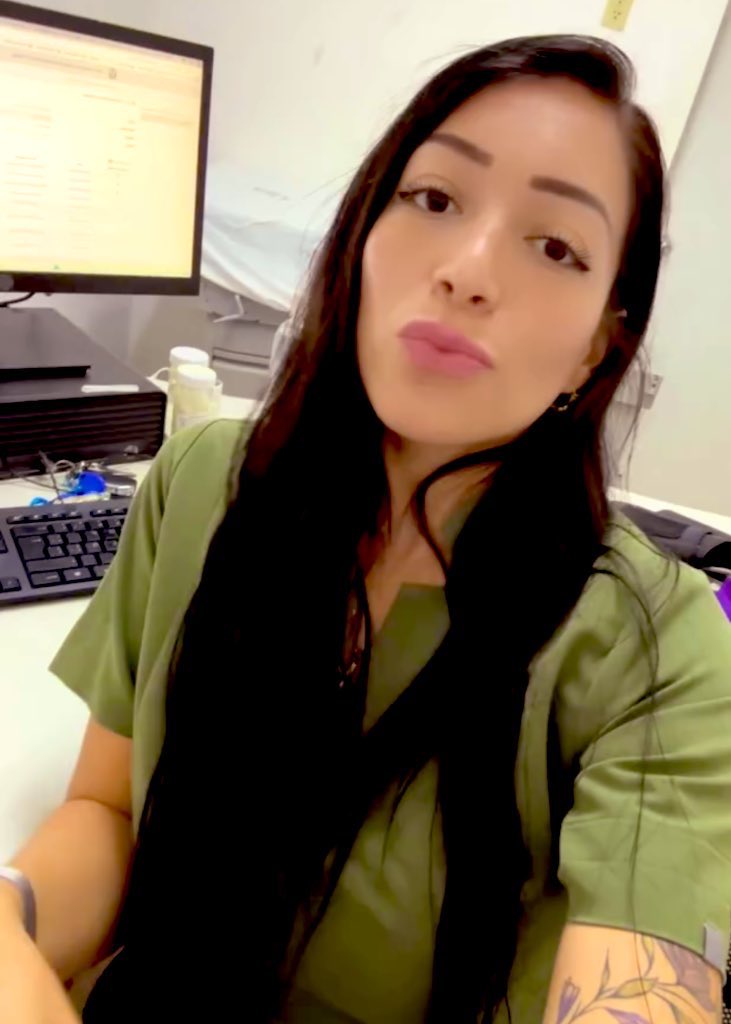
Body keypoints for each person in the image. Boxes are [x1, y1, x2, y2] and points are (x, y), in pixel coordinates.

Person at [1, 34, 730, 1024]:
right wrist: (10, 918)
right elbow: (109, 810)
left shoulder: (656, 645)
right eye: (433, 198)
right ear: (363, 231)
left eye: (554, 246)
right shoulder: (202, 482)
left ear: (598, 347)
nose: (466, 271)